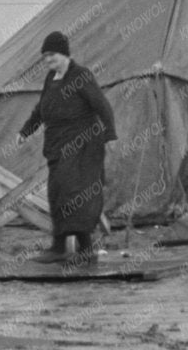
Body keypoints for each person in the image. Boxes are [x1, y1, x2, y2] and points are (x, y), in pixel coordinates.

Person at [17, 30, 117, 258]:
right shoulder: (50, 78)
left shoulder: (81, 75)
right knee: (57, 193)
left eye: (52, 55)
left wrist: (110, 136)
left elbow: (102, 106)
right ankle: (60, 247)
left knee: (79, 195)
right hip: (58, 146)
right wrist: (25, 131)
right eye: (45, 56)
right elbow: (41, 109)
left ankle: (84, 248)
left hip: (83, 146)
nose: (48, 60)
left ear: (64, 54)